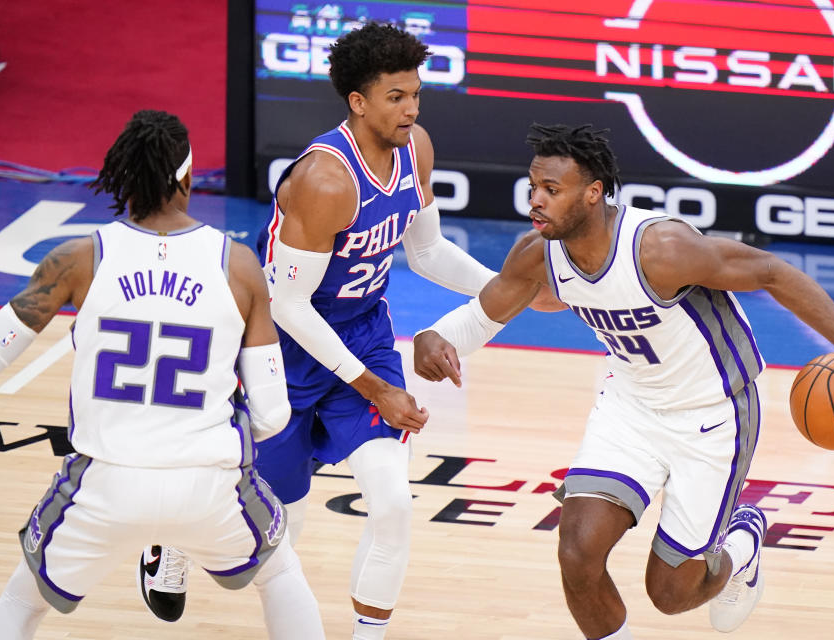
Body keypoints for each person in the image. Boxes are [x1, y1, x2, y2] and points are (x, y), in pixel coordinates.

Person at [142, 23, 558, 639]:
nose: (411, 109)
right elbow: (286, 305)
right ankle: (171, 534)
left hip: (362, 333)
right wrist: (376, 389)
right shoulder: (325, 180)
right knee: (278, 527)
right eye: (396, 96)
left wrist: (507, 289)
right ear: (358, 102)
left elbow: (428, 251)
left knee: (391, 502)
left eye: (416, 94)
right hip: (279, 348)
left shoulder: (415, 148)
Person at [412, 123, 834, 638]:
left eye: (551, 191)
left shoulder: (661, 248)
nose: (536, 201)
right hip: (631, 406)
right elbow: (485, 314)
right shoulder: (538, 253)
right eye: (533, 188)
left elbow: (772, 273)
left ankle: (744, 542)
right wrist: (438, 334)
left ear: (593, 193)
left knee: (670, 593)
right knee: (577, 552)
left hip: (716, 411)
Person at [0, 110, 325, 639]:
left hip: (104, 482)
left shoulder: (77, 258)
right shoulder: (238, 264)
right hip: (208, 485)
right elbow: (273, 412)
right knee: (281, 573)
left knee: (20, 602)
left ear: (123, 177)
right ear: (189, 179)